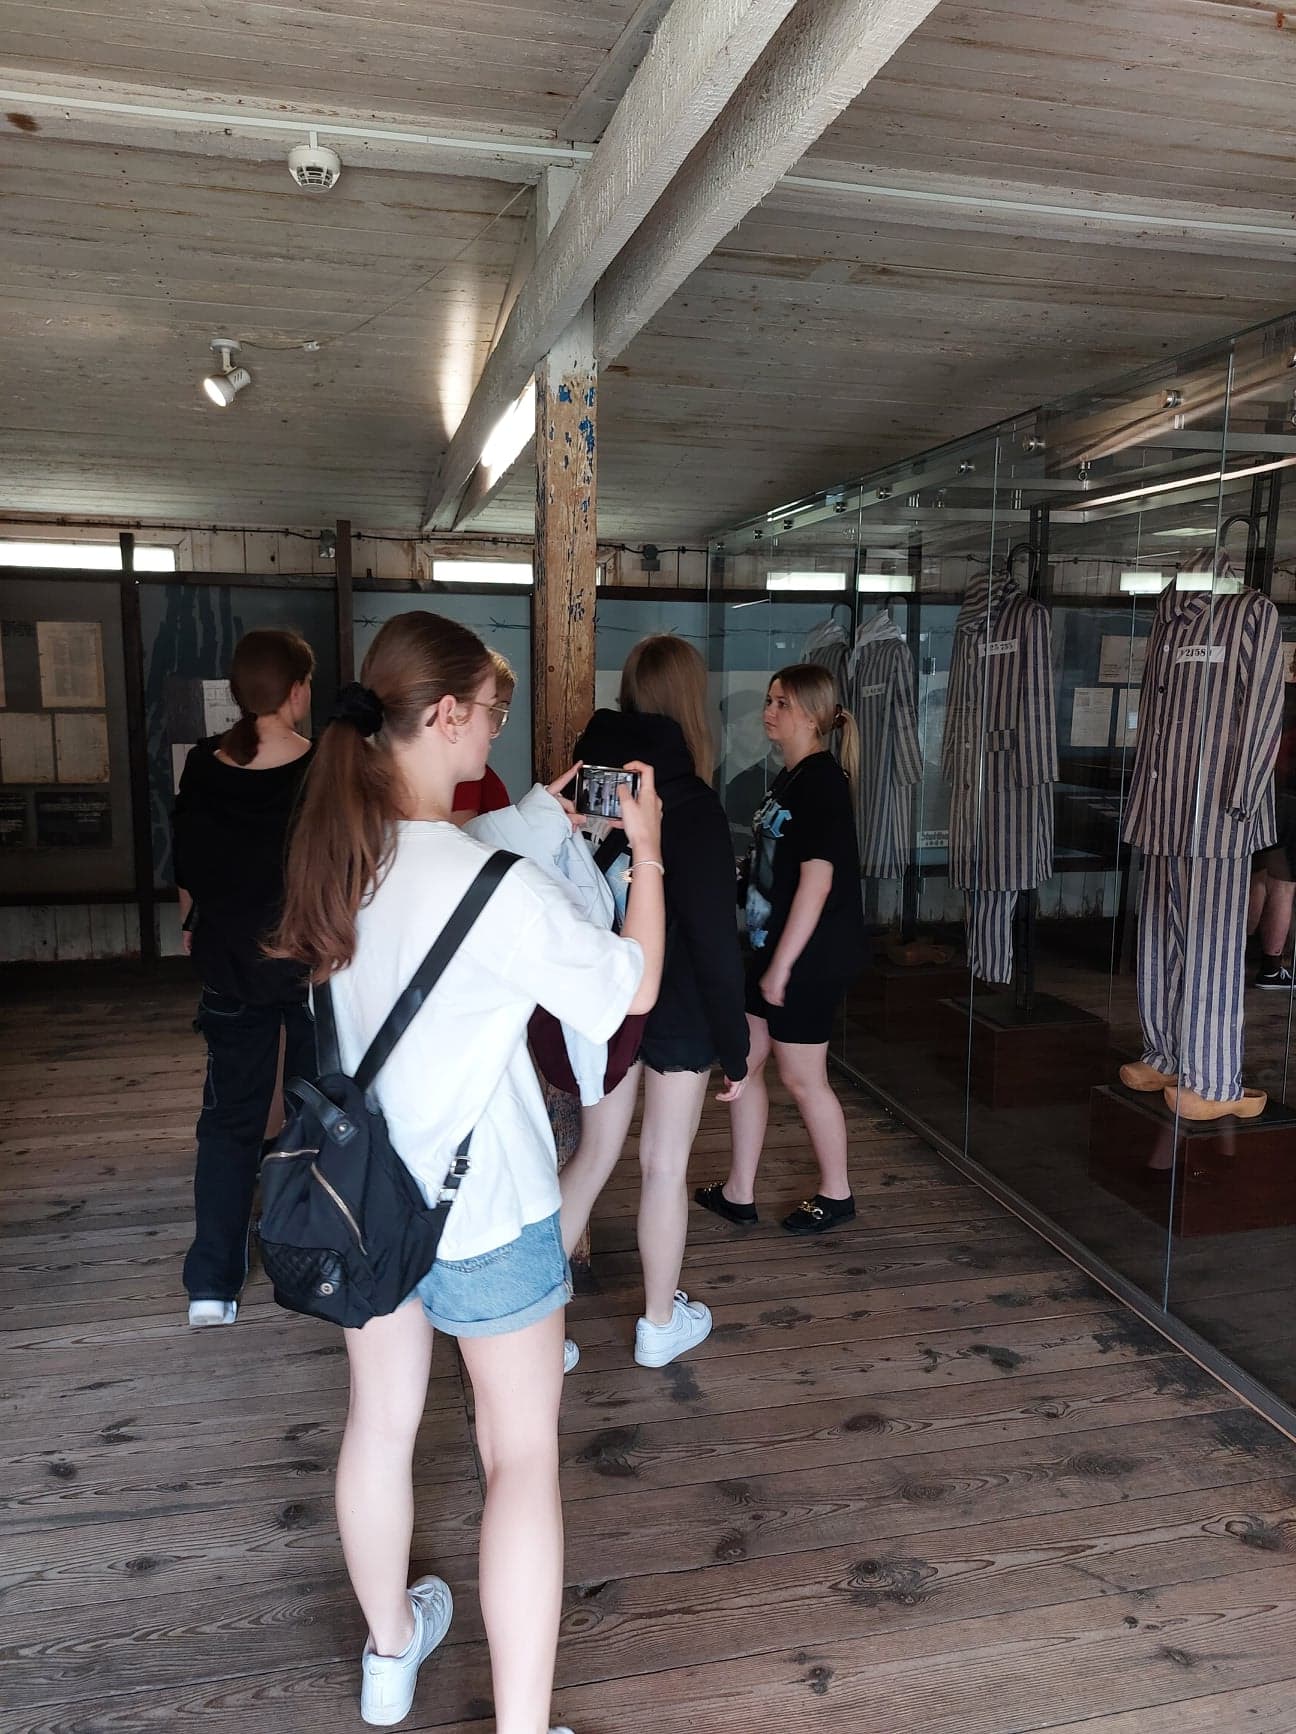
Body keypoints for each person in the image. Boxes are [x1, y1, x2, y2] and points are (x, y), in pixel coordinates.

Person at [269, 611, 664, 1734]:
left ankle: (390, 1656)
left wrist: (536, 813)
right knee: (520, 1457)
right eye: (490, 713)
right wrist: (648, 851)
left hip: (364, 1203)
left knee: (378, 1425)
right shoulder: (493, 886)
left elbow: (433, 872)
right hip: (487, 1210)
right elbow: (629, 988)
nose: (496, 734)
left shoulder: (341, 854)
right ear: (443, 715)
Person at [557, 635, 749, 1368]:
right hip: (681, 1008)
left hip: (605, 994)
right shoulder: (690, 803)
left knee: (593, 1156)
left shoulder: (586, 786)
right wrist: (736, 1048)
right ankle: (659, 1325)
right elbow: (713, 940)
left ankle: (537, 1330)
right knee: (665, 1166)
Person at [172, 626, 316, 1328]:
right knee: (317, 1116)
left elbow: (187, 867)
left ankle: (211, 1284)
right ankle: (314, 1255)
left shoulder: (203, 764)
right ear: (296, 691)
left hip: (227, 967)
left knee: (228, 1122)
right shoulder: (319, 767)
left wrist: (194, 929)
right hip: (309, 970)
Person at [695, 662, 865, 1235]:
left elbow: (818, 882)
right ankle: (738, 1192)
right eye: (769, 701)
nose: (769, 712)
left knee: (802, 1077)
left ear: (813, 716)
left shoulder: (823, 783)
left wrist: (782, 968)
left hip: (807, 957)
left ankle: (836, 1193)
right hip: (771, 950)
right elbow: (775, 866)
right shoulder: (788, 778)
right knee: (743, 1062)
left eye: (782, 703)